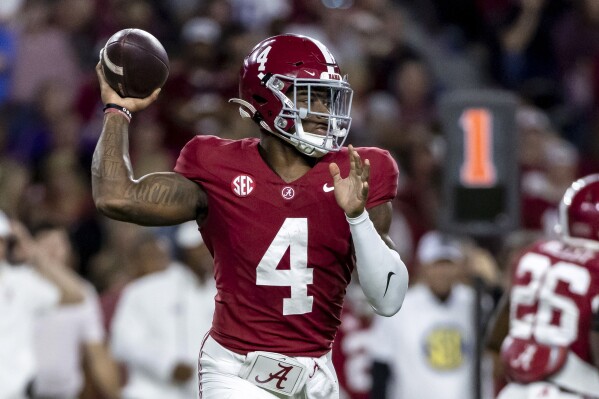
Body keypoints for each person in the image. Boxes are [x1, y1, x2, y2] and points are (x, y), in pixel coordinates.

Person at [92, 33, 409, 398]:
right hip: (237, 373)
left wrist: (357, 217)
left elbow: (388, 300)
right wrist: (117, 111)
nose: (326, 111)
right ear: (268, 98)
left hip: (317, 376)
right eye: (311, 95)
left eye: (329, 97)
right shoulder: (218, 165)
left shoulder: (359, 170)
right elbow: (115, 197)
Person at [486, 174, 599, 399]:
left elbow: (496, 340)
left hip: (515, 391)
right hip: (573, 389)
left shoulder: (532, 253)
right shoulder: (594, 267)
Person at [368, 230, 494, 399]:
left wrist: (494, 285)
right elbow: (381, 368)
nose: (442, 271)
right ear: (423, 266)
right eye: (436, 264)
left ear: (459, 267)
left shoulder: (476, 303)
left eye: (448, 264)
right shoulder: (397, 307)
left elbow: (498, 345)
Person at [109, 228, 215, 399]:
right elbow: (123, 341)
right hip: (151, 392)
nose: (206, 253)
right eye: (200, 247)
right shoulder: (145, 288)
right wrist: (167, 364)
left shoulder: (221, 292)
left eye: (210, 247)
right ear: (185, 250)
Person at [0, 211, 85, 399]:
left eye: (3, 241)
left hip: (16, 392)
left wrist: (32, 250)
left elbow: (75, 295)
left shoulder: (21, 281)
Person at [31, 224, 121, 399]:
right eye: (47, 245)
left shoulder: (85, 292)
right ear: (31, 248)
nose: (54, 252)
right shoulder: (17, 285)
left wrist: (116, 395)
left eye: (60, 245)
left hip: (65, 394)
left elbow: (97, 353)